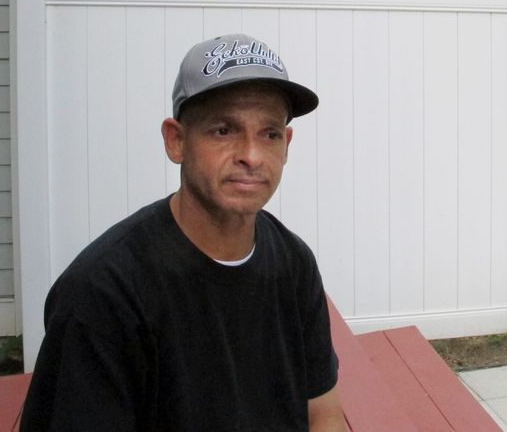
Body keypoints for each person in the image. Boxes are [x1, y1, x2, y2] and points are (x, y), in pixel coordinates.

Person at [20, 34, 346, 431]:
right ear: (176, 141)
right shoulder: (103, 294)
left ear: (287, 144)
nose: (252, 155)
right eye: (224, 130)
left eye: (270, 133)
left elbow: (323, 411)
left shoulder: (293, 263)